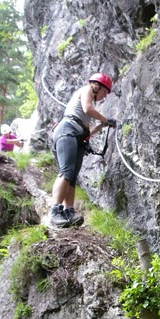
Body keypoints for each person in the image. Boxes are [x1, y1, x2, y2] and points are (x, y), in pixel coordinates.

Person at [49, 72, 116, 228]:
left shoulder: (86, 113)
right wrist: (106, 119)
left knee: (72, 176)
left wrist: (102, 125)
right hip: (67, 131)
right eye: (104, 92)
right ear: (97, 86)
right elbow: (87, 108)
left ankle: (69, 211)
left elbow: (87, 131)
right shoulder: (86, 90)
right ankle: (55, 211)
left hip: (76, 136)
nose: (104, 96)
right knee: (66, 171)